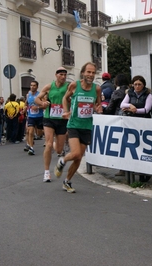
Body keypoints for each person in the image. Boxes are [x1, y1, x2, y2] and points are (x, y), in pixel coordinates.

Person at [55, 62, 103, 193]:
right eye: (88, 72)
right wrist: (65, 111)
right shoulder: (75, 85)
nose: (91, 75)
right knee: (75, 153)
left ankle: (67, 181)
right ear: (83, 73)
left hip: (86, 126)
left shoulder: (97, 89)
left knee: (78, 158)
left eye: (93, 72)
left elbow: (97, 105)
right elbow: (65, 98)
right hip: (74, 125)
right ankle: (62, 160)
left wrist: (99, 108)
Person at [34, 67, 70, 182]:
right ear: (56, 75)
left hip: (62, 119)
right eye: (61, 74)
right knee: (48, 145)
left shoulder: (69, 86)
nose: (63, 77)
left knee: (59, 150)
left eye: (65, 75)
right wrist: (43, 103)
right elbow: (37, 99)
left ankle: (56, 146)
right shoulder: (49, 86)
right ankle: (46, 172)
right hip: (49, 118)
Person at [24, 80, 44, 155]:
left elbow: (45, 105)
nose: (32, 87)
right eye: (31, 85)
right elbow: (26, 103)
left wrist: (38, 107)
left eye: (34, 85)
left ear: (37, 87)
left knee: (39, 133)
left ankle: (33, 139)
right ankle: (31, 148)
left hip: (39, 116)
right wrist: (25, 108)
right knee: (30, 131)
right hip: (31, 116)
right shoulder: (28, 94)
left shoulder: (40, 95)